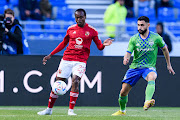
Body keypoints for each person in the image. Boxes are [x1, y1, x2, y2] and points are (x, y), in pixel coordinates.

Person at [37, 8, 113, 116]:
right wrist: (51, 54)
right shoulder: (70, 29)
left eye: (81, 17)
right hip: (67, 59)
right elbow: (63, 43)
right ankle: (49, 109)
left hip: (80, 61)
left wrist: (104, 44)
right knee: (58, 83)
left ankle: (70, 111)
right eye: (77, 17)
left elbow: (99, 47)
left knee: (75, 80)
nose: (79, 19)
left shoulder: (92, 31)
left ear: (85, 17)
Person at [112, 16, 175, 116]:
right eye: (138, 25)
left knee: (152, 76)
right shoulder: (134, 39)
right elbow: (128, 52)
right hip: (135, 67)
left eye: (142, 25)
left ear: (148, 25)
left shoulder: (156, 37)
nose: (139, 28)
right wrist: (126, 58)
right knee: (123, 92)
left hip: (148, 67)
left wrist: (169, 65)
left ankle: (147, 102)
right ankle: (122, 111)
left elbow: (165, 49)